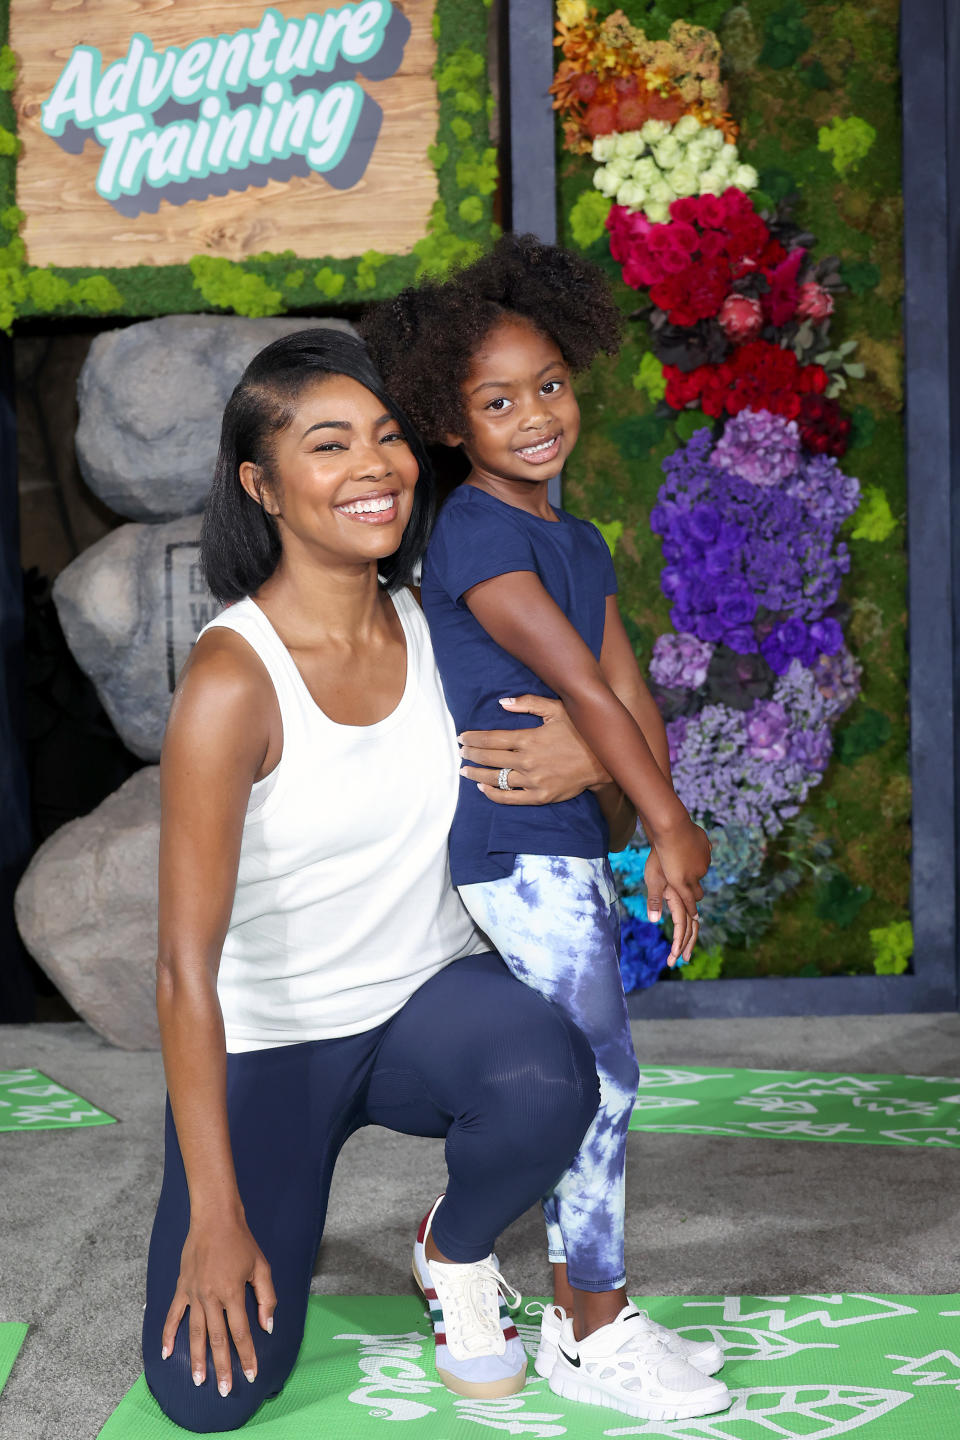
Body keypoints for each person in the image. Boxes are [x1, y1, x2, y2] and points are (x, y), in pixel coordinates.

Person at [142, 328, 621, 1432]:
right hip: (272, 1042)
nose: (374, 467)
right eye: (329, 444)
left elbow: (582, 727)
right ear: (262, 485)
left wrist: (592, 758)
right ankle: (245, 1199)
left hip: (427, 1003)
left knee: (551, 1079)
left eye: (389, 435)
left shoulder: (437, 624)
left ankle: (449, 1255)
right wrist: (217, 1211)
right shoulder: (232, 681)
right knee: (209, 1398)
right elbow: (179, 966)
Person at [361, 235, 732, 1424]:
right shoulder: (473, 529)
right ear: (452, 424)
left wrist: (652, 814)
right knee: (606, 1080)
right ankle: (591, 1329)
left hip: (573, 833)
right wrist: (668, 824)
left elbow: (628, 702)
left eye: (551, 386)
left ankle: (596, 1306)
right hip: (513, 842)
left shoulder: (575, 540)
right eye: (497, 401)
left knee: (606, 1076)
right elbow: (577, 681)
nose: (535, 416)